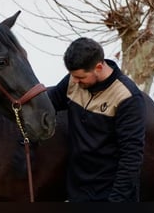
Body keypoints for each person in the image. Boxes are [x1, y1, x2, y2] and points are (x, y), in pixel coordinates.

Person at [48, 37, 146, 202]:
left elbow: (131, 157)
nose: (76, 82)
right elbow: (48, 103)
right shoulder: (74, 80)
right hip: (77, 193)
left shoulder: (127, 97)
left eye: (81, 77)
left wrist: (116, 201)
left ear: (98, 67)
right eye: (73, 76)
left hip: (110, 195)